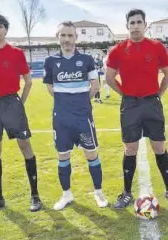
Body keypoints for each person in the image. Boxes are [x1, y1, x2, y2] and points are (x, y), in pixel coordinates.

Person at [105, 9, 168, 208]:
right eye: (132, 22)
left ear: (145, 25)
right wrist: (124, 94)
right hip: (130, 104)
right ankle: (126, 193)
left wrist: (159, 93)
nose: (136, 26)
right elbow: (109, 77)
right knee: (130, 148)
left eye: (139, 22)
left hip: (151, 103)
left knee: (159, 147)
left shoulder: (156, 46)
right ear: (127, 26)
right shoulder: (118, 49)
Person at [0, 13, 41, 215]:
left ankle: (35, 196)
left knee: (25, 146)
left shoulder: (16, 52)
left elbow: (28, 81)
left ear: (6, 29)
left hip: (12, 103)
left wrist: (18, 104)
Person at [43, 21, 108, 210]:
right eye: (63, 35)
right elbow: (50, 88)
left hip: (82, 117)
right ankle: (66, 195)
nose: (67, 39)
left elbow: (95, 87)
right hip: (61, 118)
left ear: (76, 38)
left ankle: (98, 193)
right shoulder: (50, 61)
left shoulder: (87, 60)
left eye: (70, 35)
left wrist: (81, 103)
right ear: (58, 38)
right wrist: (65, 103)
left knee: (91, 154)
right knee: (63, 156)